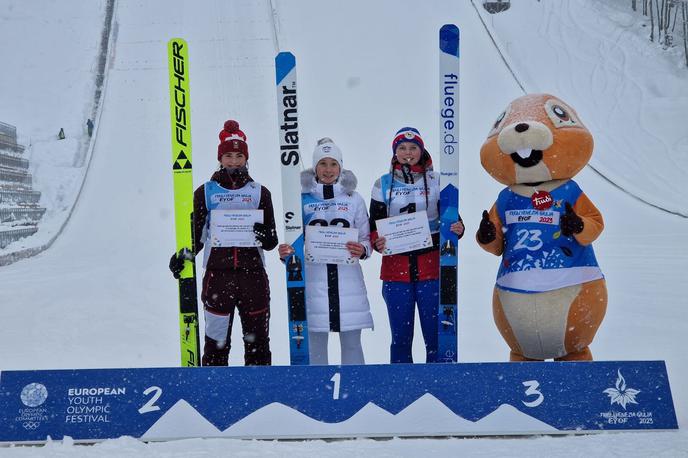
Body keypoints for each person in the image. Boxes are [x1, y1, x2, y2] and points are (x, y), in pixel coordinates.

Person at [169, 120, 278, 366]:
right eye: (228, 155)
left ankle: (260, 394)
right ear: (220, 158)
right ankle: (215, 397)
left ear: (246, 158)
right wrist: (181, 255)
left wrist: (265, 234)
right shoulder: (205, 192)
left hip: (253, 277)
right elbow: (195, 236)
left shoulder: (260, 192)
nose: (233, 161)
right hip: (218, 277)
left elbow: (271, 242)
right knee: (216, 343)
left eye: (239, 155)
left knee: (258, 343)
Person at [369, 127, 464, 364]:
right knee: (400, 337)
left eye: (413, 148)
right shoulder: (382, 183)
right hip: (395, 270)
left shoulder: (438, 180)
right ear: (395, 152)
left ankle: (439, 385)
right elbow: (373, 226)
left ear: (422, 151)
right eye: (402, 148)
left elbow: (454, 220)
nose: (408, 153)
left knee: (435, 335)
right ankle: (402, 390)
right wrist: (376, 241)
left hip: (431, 268)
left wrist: (459, 228)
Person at [278, 138, 373, 365]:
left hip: (348, 282)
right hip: (313, 281)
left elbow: (366, 238)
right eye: (322, 164)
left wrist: (362, 249)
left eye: (333, 164)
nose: (328, 169)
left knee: (351, 344)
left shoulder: (354, 199)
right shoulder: (300, 199)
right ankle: (318, 394)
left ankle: (354, 391)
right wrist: (287, 253)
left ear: (341, 166)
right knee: (316, 346)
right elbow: (293, 240)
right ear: (314, 167)